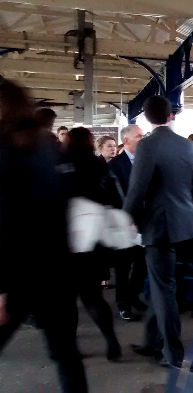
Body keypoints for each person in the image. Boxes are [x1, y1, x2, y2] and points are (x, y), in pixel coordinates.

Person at [0, 79, 88, 393]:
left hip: (18, 276)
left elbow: (6, 224)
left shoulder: (5, 152)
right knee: (67, 356)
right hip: (57, 271)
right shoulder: (48, 145)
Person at [125, 96, 193, 367]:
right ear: (171, 116)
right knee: (162, 285)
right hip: (184, 225)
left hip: (159, 226)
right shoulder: (187, 146)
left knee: (163, 289)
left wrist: (127, 218)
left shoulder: (147, 145)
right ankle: (152, 342)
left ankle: (172, 353)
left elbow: (137, 189)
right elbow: (192, 189)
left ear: (146, 118)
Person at [64, 127, 123, 361]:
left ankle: (71, 347)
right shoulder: (99, 165)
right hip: (93, 241)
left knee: (68, 300)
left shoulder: (61, 165)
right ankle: (111, 341)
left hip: (68, 241)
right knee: (93, 297)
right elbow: (113, 199)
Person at [109, 124, 147, 321]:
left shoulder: (147, 161)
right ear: (126, 140)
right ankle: (123, 304)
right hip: (123, 225)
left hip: (144, 223)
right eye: (139, 136)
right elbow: (113, 197)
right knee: (123, 267)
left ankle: (134, 296)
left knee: (142, 265)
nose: (143, 138)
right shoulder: (115, 165)